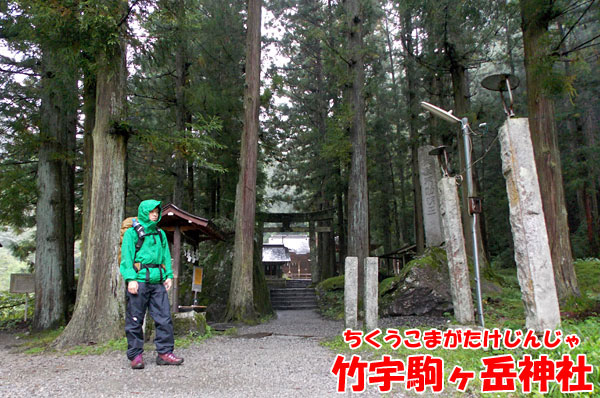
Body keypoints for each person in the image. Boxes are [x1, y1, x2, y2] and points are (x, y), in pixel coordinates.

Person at [120, 199, 184, 369]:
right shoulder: (132, 233)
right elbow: (126, 258)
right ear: (144, 212)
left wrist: (168, 276)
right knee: (135, 319)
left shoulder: (160, 233)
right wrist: (131, 279)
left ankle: (164, 353)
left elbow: (165, 256)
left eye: (156, 212)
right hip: (139, 281)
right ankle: (135, 356)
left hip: (157, 282)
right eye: (151, 212)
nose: (155, 215)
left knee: (164, 318)